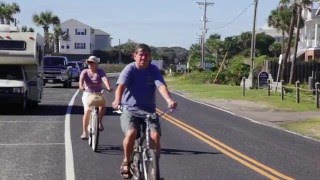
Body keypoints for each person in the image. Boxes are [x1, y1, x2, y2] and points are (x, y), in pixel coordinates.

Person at [112, 44, 177, 179]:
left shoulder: (153, 70)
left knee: (155, 136)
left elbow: (161, 86)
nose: (143, 57)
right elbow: (121, 86)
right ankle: (126, 161)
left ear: (150, 57)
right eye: (140, 54)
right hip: (130, 109)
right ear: (134, 56)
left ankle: (154, 168)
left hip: (149, 110)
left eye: (146, 55)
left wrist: (169, 100)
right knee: (131, 133)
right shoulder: (129, 69)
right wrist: (117, 100)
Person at [79, 55, 113, 139]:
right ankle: (84, 132)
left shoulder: (100, 71)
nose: (90, 64)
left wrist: (108, 87)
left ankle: (99, 122)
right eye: (89, 62)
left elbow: (104, 79)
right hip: (88, 93)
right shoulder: (85, 71)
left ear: (96, 64)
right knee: (87, 111)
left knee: (103, 106)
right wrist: (81, 86)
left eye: (92, 62)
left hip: (98, 93)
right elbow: (81, 80)